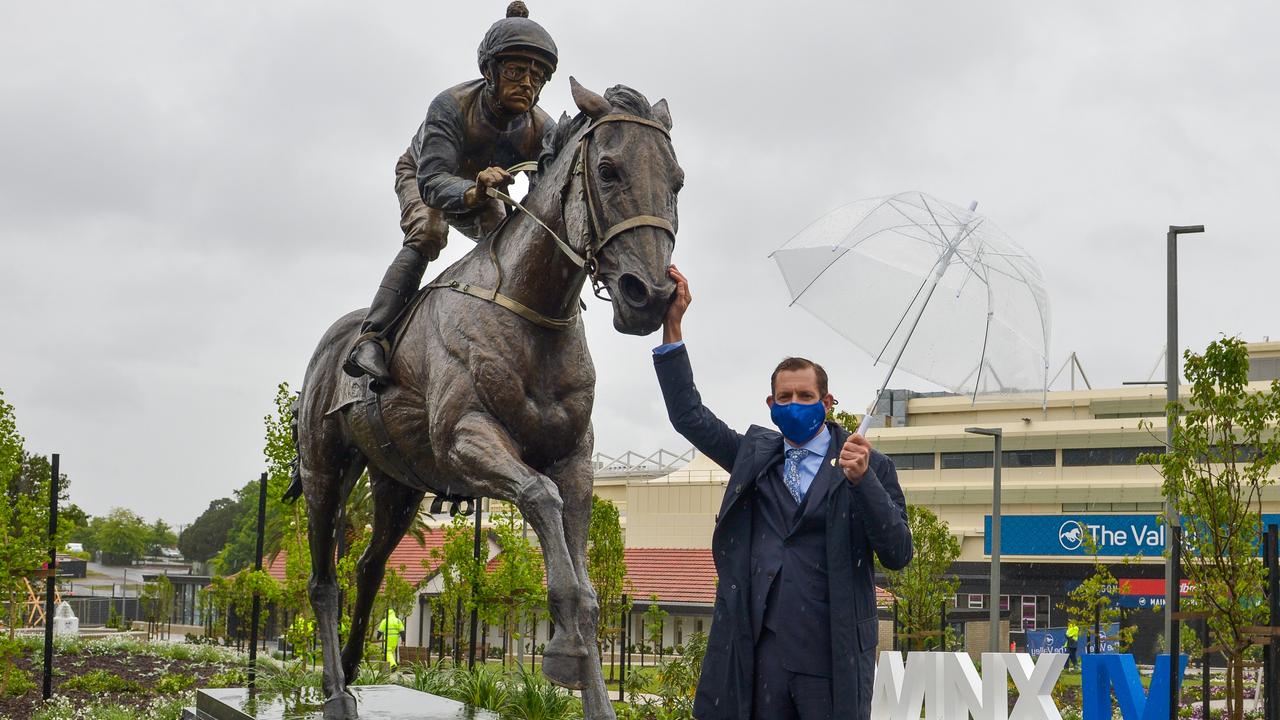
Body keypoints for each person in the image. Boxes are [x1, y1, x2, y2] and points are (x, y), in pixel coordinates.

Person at [652, 266, 913, 720]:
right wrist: (672, 324)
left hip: (830, 658)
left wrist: (863, 482)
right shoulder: (754, 456)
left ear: (828, 403)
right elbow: (689, 416)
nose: (795, 405)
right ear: (771, 405)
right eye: (785, 398)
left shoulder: (870, 465)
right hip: (760, 654)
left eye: (806, 397)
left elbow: (898, 552)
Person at [344, 0, 559, 385]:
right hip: (425, 173)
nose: (527, 83)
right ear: (491, 72)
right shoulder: (451, 106)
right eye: (515, 70)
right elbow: (432, 180)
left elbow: (547, 199)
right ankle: (371, 337)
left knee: (508, 243)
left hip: (485, 190)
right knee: (428, 232)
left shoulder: (541, 128)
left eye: (537, 76)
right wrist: (474, 192)